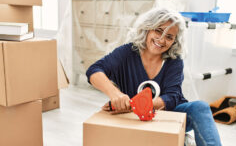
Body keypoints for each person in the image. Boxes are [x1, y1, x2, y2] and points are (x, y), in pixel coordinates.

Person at [86, 8, 222, 146]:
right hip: (136, 120)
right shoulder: (127, 52)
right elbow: (94, 70)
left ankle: (181, 138)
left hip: (170, 117)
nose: (161, 40)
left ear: (174, 41)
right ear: (147, 28)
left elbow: (173, 96)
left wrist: (134, 105)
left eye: (169, 37)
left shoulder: (174, 60)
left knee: (200, 107)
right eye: (158, 30)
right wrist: (115, 94)